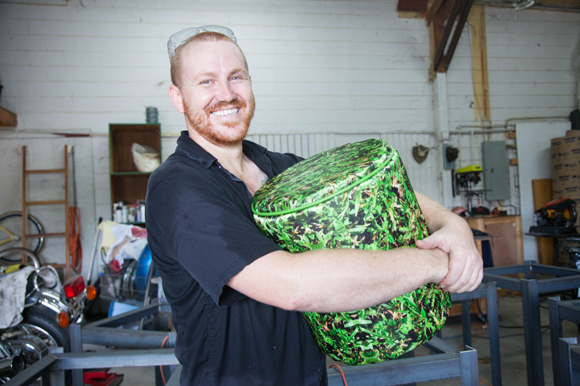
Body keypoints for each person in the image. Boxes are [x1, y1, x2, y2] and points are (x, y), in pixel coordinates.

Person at [146, 25, 483, 386]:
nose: (227, 94)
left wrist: (453, 226)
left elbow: (381, 192)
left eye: (236, 77)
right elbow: (291, 285)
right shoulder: (176, 187)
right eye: (207, 82)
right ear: (178, 98)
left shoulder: (279, 168)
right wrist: (435, 261)